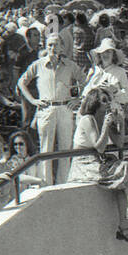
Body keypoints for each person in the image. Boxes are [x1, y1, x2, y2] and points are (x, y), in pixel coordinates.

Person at [69, 88, 128, 242]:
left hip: (99, 160)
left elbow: (120, 143)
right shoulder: (87, 119)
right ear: (94, 102)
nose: (108, 103)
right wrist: (106, 126)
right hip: (84, 162)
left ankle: (127, 219)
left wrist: (120, 123)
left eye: (109, 100)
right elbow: (99, 146)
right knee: (122, 170)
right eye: (104, 100)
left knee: (124, 172)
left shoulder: (104, 119)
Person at [18, 34, 79, 185]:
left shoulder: (70, 65)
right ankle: (46, 183)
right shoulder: (38, 64)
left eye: (56, 45)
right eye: (50, 45)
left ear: (62, 47)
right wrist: (33, 100)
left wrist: (78, 99)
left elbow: (86, 81)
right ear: (45, 46)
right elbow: (21, 82)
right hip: (46, 109)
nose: (53, 48)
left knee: (66, 148)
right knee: (46, 148)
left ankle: (63, 183)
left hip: (64, 108)